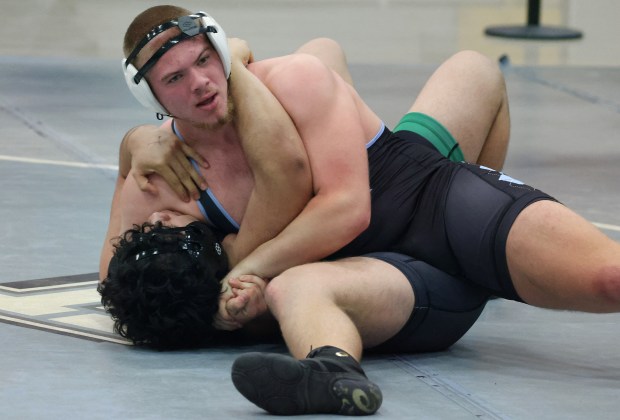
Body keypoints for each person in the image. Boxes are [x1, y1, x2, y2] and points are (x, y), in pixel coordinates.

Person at [100, 5, 620, 416]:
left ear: (220, 50)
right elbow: (115, 282)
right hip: (378, 279)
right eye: (174, 80)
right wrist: (133, 148)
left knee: (608, 278)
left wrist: (241, 272)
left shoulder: (297, 81)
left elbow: (348, 211)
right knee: (293, 288)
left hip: (430, 206)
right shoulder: (162, 173)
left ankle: (494, 264)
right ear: (151, 96)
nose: (200, 83)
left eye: (204, 60)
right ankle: (333, 373)